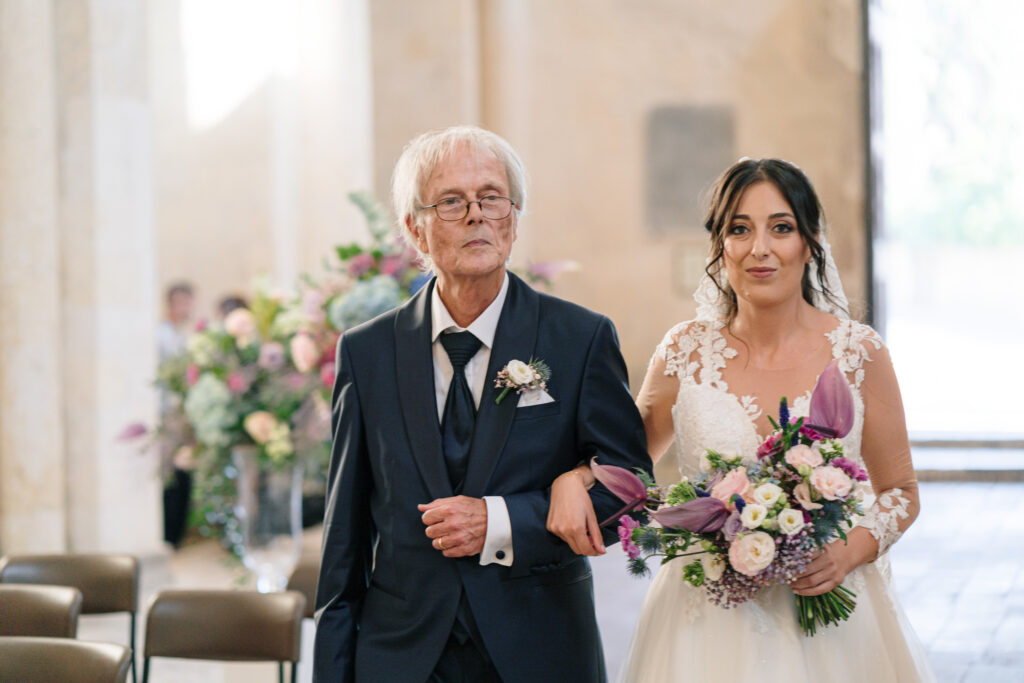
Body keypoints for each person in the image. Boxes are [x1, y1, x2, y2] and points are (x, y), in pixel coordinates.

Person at [546, 158, 935, 682]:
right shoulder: (686, 351)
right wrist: (575, 476)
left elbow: (900, 491)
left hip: (828, 615)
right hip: (705, 619)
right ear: (719, 246)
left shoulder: (857, 352)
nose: (760, 249)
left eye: (781, 228)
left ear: (811, 241)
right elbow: (624, 459)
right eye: (739, 229)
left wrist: (849, 550)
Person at [312, 125, 652, 683]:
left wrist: (503, 519)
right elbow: (343, 544)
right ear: (414, 230)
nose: (476, 214)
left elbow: (630, 492)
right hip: (400, 656)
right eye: (451, 201)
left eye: (491, 197)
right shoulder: (366, 352)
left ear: (513, 217)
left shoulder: (578, 338)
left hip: (540, 649)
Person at [157, 281, 196, 546]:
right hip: (166, 413)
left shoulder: (182, 335)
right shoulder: (160, 334)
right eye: (182, 302)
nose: (187, 307)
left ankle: (177, 535)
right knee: (171, 475)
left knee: (184, 472)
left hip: (183, 414)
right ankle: (170, 535)